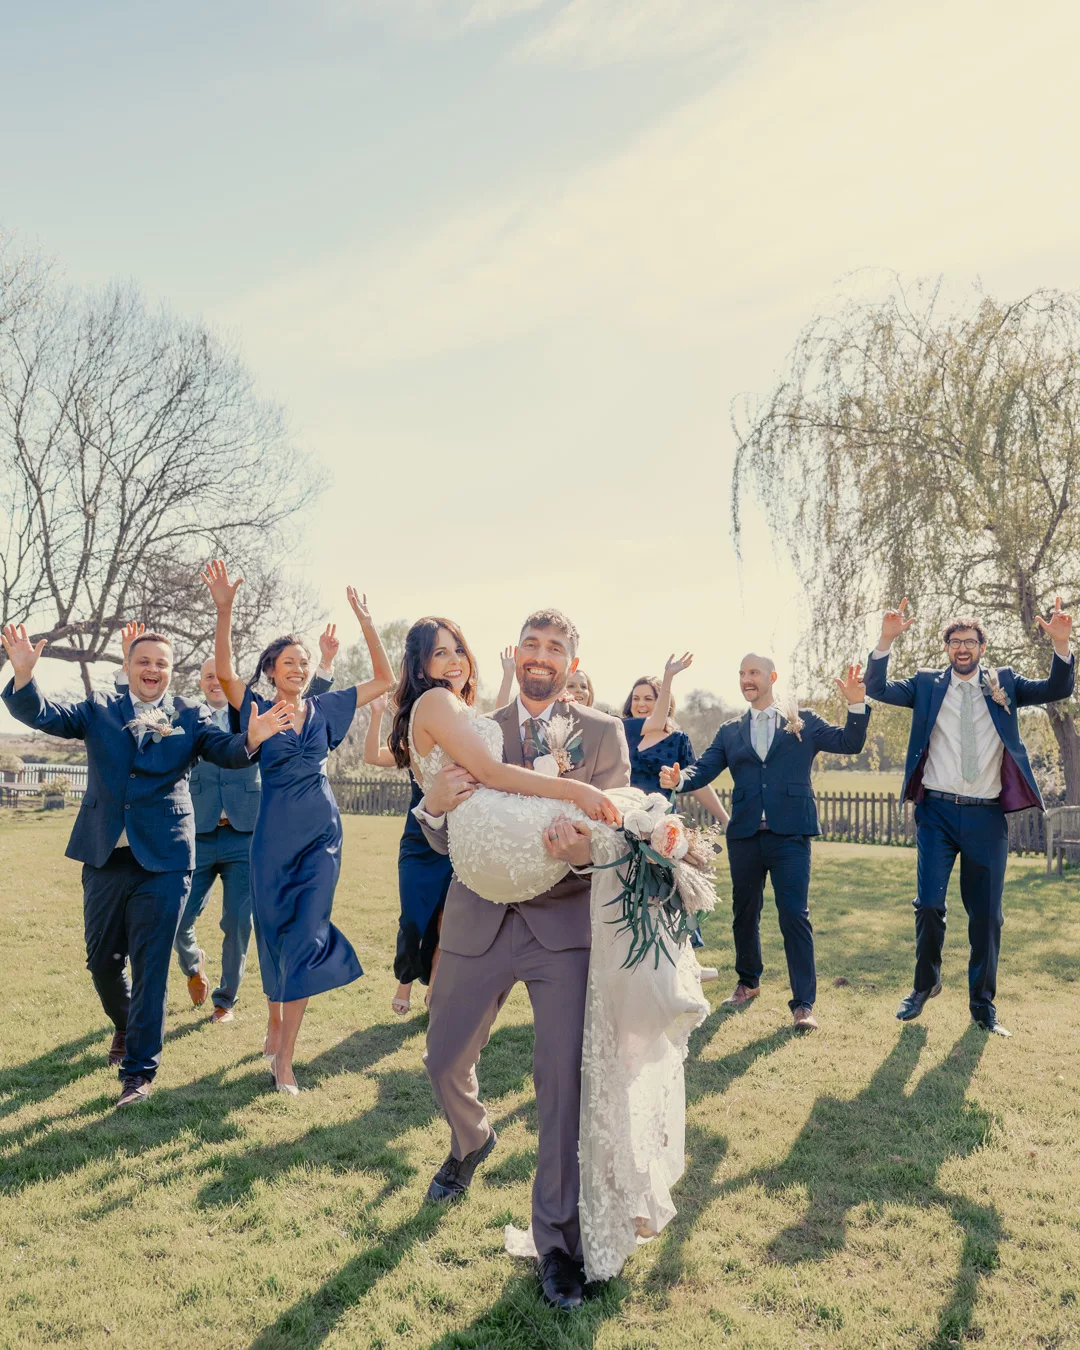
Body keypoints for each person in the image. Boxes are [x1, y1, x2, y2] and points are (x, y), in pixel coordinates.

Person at [410, 609, 707, 1306]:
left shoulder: (604, 734)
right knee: (442, 1058)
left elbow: (617, 832)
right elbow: (446, 831)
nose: (543, 656)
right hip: (478, 917)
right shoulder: (473, 723)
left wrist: (585, 850)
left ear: (574, 661)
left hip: (563, 927)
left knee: (561, 1086)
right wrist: (428, 808)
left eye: (558, 647)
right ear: (516, 654)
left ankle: (558, 1246)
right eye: (533, 645)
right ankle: (470, 1141)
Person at [0, 622, 289, 1107]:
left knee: (151, 964)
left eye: (161, 663)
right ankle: (125, 1023)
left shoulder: (190, 715)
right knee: (102, 962)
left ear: (170, 672)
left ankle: (139, 1074)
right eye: (143, 661)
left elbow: (228, 751)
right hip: (105, 854)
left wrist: (251, 740)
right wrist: (24, 676)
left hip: (167, 860)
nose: (152, 669)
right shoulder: (99, 710)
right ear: (128, 666)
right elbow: (43, 714)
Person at [203, 560, 394, 1093]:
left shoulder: (327, 708)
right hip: (272, 840)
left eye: (304, 661)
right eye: (290, 661)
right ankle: (272, 1019)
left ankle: (285, 1060)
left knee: (307, 935)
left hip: (322, 836)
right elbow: (223, 672)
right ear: (272, 669)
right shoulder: (257, 707)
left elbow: (385, 680)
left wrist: (368, 624)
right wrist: (225, 611)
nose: (299, 667)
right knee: (274, 932)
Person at [866, 597, 1074, 1037]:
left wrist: (1061, 644)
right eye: (954, 641)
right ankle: (925, 985)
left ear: (982, 646)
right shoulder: (926, 685)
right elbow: (878, 689)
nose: (962, 647)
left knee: (987, 916)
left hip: (986, 816)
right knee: (928, 904)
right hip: (937, 812)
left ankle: (982, 1005)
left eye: (970, 641)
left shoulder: (1005, 683)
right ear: (946, 649)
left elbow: (1057, 689)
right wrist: (886, 640)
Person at [113, 624, 335, 1022]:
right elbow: (131, 707)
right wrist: (128, 658)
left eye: (221, 674)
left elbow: (306, 702)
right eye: (207, 676)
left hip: (245, 834)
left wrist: (327, 664)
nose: (215, 680)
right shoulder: (183, 716)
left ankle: (225, 1000)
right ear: (198, 682)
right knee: (178, 920)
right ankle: (194, 966)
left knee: (238, 921)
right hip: (195, 835)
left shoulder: (250, 710)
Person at [661, 653, 870, 1030]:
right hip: (744, 835)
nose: (746, 679)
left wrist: (856, 703)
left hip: (790, 833)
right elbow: (703, 768)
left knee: (794, 915)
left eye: (753, 672)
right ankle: (748, 983)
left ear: (771, 677)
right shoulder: (730, 731)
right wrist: (679, 779)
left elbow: (850, 741)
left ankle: (803, 1004)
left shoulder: (801, 721)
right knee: (744, 913)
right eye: (741, 673)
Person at [622, 659, 730, 965]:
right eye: (637, 698)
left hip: (663, 826)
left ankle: (676, 962)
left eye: (649, 698)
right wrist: (668, 677)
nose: (640, 704)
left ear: (665, 703)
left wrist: (725, 818)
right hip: (623, 821)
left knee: (668, 893)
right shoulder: (621, 729)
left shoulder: (679, 739)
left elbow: (696, 783)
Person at [363, 689, 454, 1018]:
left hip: (455, 840)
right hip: (417, 840)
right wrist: (377, 713)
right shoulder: (411, 743)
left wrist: (502, 680)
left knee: (447, 920)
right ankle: (405, 981)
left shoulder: (462, 739)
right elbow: (372, 756)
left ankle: (435, 987)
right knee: (413, 919)